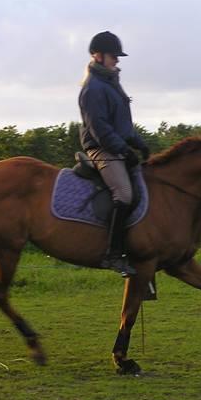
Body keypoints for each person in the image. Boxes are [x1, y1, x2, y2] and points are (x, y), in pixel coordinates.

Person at [78, 31, 150, 277]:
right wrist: (123, 150)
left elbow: (122, 126)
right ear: (98, 56)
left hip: (116, 145)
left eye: (118, 56)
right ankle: (112, 254)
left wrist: (139, 143)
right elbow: (99, 128)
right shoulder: (93, 88)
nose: (117, 60)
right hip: (100, 148)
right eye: (113, 56)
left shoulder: (111, 83)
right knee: (124, 193)